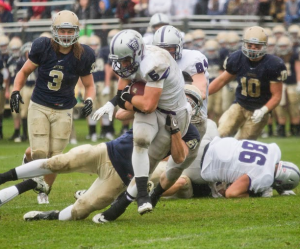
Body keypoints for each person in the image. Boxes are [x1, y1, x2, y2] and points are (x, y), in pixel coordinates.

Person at [0, 97, 200, 222]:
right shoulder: (155, 105)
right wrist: (143, 106)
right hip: (108, 151)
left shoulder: (190, 132)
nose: (185, 104)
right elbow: (122, 114)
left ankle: (48, 215)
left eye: (191, 102)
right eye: (185, 98)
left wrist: (175, 130)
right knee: (58, 162)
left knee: (81, 211)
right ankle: (4, 177)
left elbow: (179, 156)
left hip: (122, 177)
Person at [92, 29, 192, 215]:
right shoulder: (130, 61)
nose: (122, 65)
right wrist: (112, 103)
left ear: (137, 54)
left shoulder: (155, 64)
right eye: (119, 61)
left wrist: (125, 97)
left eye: (126, 61)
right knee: (140, 140)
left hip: (172, 114)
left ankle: (126, 202)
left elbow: (147, 105)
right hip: (154, 108)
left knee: (162, 158)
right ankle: (143, 196)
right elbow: (122, 91)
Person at [9, 10, 96, 204]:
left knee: (56, 158)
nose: (66, 35)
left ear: (76, 32)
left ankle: (44, 189)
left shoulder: (84, 54)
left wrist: (89, 100)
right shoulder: (42, 46)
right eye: (62, 31)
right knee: (40, 153)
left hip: (64, 108)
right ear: (55, 31)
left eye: (69, 31)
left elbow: (89, 85)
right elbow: (24, 72)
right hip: (40, 104)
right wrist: (15, 90)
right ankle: (31, 162)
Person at [209, 26, 287, 140]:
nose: (252, 49)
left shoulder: (274, 64)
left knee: (242, 143)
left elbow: (277, 96)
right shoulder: (237, 58)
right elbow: (222, 80)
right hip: (239, 105)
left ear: (264, 46)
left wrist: (264, 110)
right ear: (244, 44)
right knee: (219, 134)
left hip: (259, 109)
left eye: (257, 46)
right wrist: (203, 94)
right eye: (249, 45)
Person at [201, 137, 300, 198]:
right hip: (202, 165)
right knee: (200, 191)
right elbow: (231, 193)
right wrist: (251, 195)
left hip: (210, 141)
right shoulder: (265, 177)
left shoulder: (274, 150)